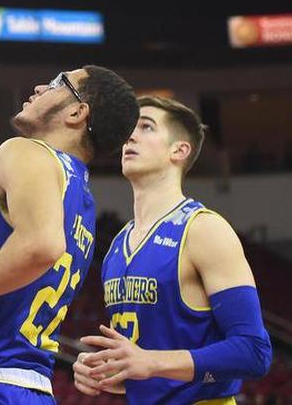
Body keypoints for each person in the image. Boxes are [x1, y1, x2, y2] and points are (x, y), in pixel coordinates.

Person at [0, 67, 139, 402]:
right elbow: (18, 274)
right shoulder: (82, 201)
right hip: (25, 386)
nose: (39, 86)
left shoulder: (24, 150)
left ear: (77, 112)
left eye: (57, 83)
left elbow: (41, 247)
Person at [73, 96, 272, 401]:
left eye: (147, 127)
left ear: (179, 150)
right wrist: (110, 373)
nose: (131, 135)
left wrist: (151, 362)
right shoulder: (116, 246)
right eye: (130, 128)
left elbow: (254, 351)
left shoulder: (203, 229)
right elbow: (153, 365)